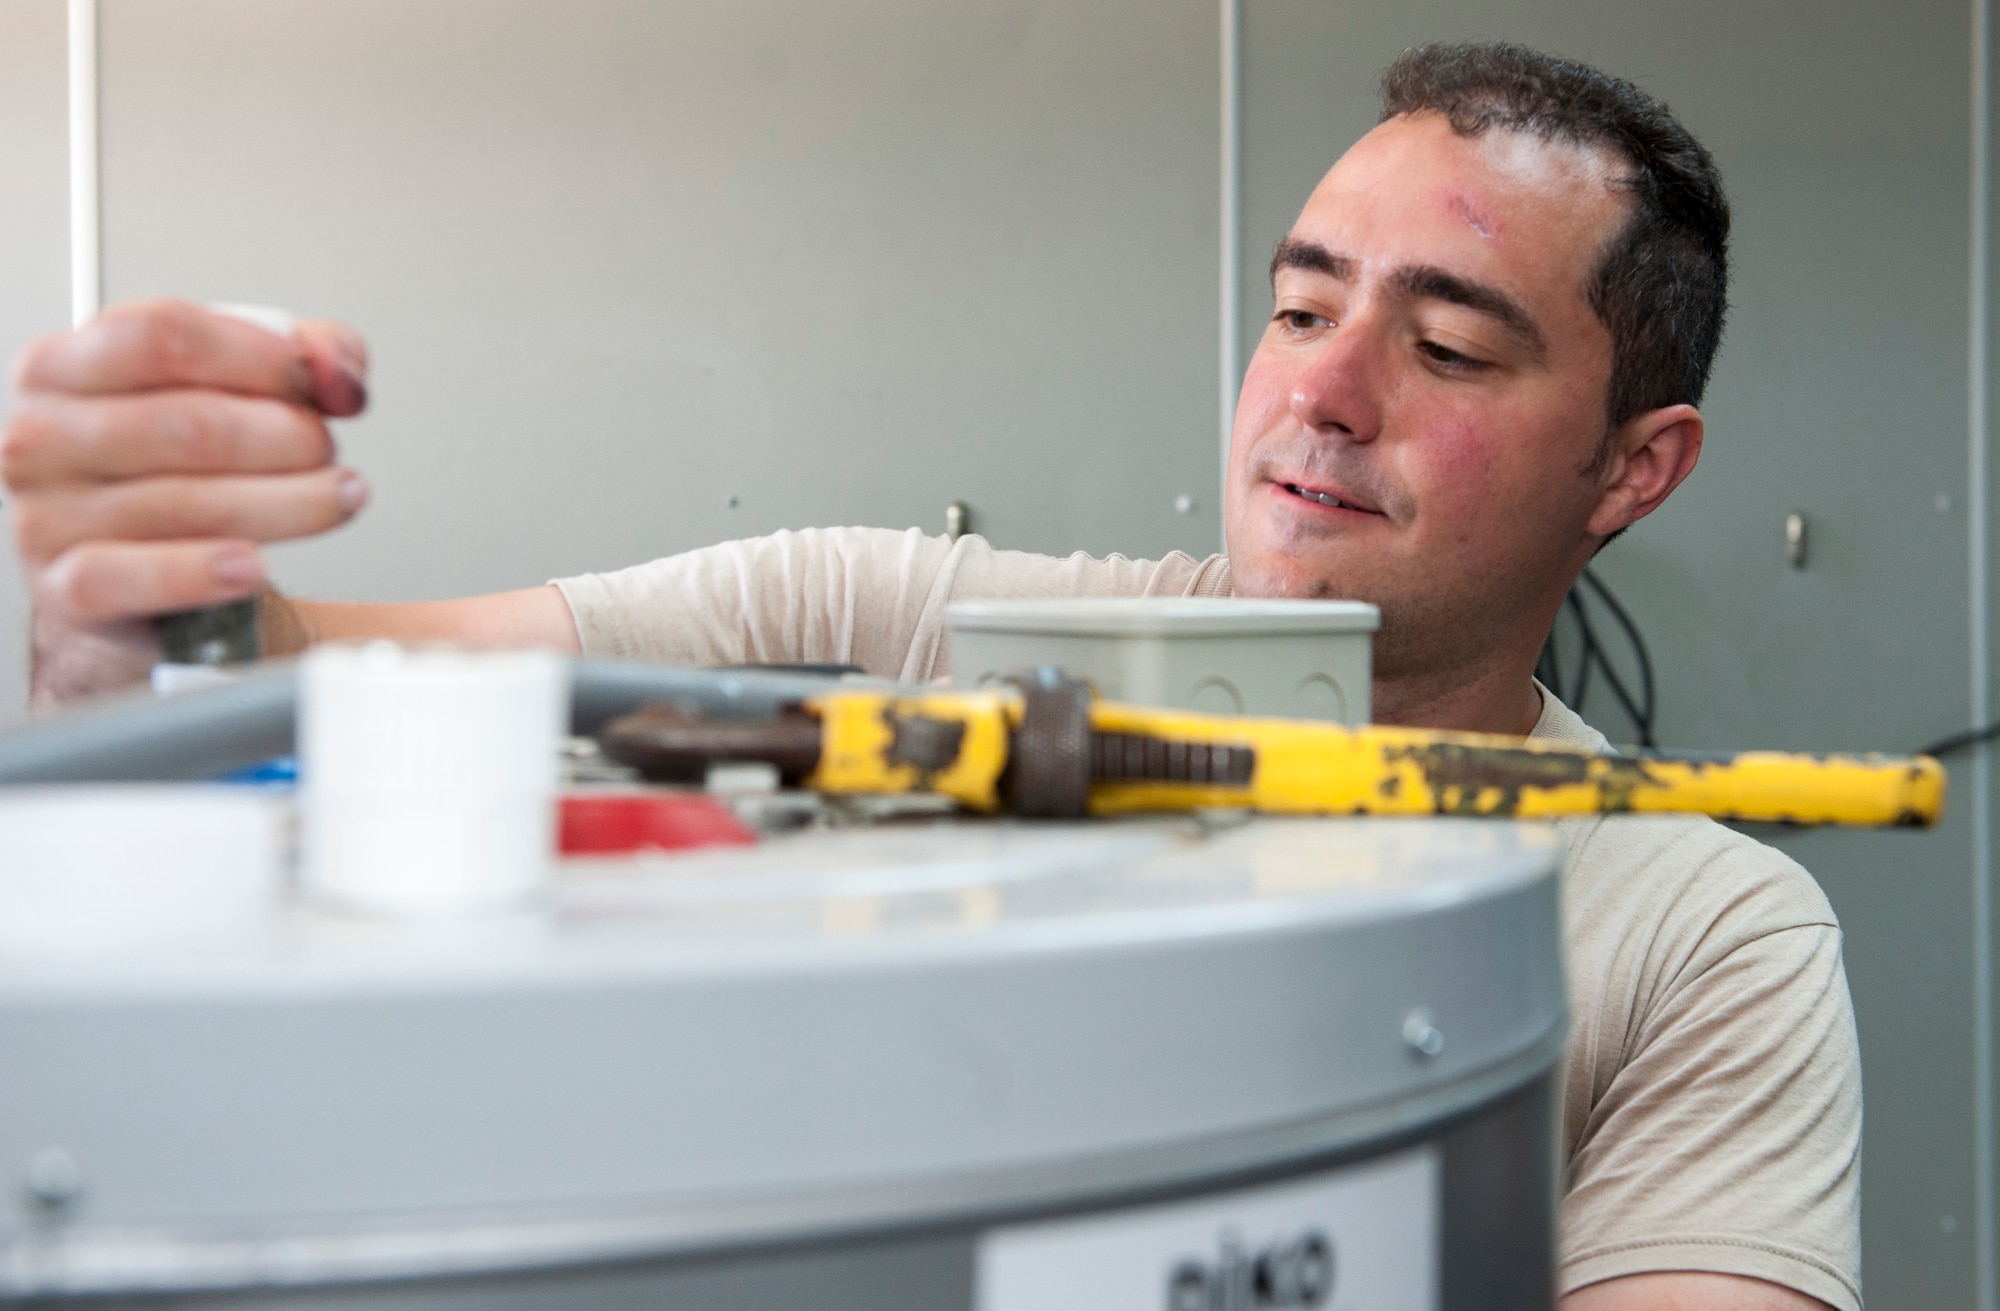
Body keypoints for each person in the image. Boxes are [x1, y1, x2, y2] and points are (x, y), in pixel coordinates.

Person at [2, 42, 1862, 1311]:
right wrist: (142, 622)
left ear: (1634, 467)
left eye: (1448, 345)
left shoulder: (1708, 934)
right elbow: (296, 696)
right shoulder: (888, 635)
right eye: (1301, 309)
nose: (1322, 388)